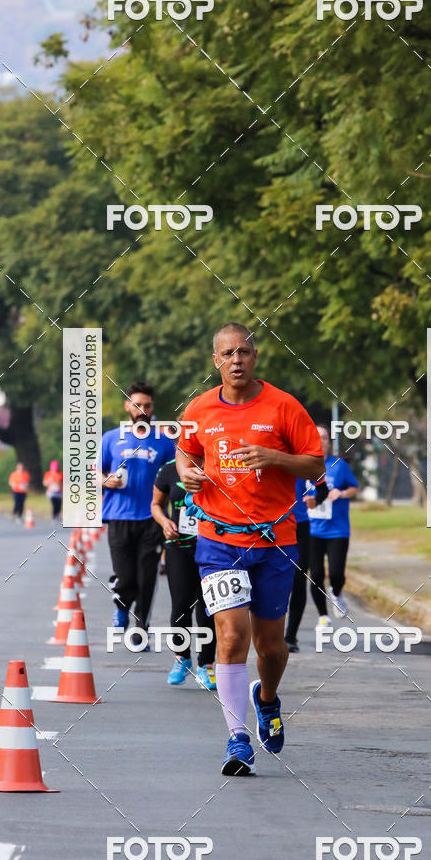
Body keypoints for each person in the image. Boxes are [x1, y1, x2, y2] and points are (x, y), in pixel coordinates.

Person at [177, 323, 324, 776]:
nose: (236, 360)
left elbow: (316, 465)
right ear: (216, 361)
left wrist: (273, 457)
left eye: (243, 352)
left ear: (255, 357)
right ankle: (238, 739)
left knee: (271, 647)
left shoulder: (283, 406)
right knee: (231, 636)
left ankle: (267, 697)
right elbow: (185, 452)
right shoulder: (199, 408)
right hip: (219, 539)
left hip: (275, 540)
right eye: (227, 353)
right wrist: (187, 473)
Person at [101, 381, 175, 638]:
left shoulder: (164, 441)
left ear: (152, 407)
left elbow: (174, 475)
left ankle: (141, 629)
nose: (142, 410)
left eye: (147, 405)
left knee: (147, 578)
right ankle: (122, 606)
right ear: (127, 406)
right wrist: (106, 480)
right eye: (137, 405)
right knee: (126, 577)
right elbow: (92, 473)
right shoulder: (111, 438)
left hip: (152, 518)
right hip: (118, 516)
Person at [151, 458, 217, 689]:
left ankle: (206, 665)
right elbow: (156, 504)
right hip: (179, 548)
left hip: (213, 547)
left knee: (208, 606)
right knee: (181, 605)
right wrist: (164, 522)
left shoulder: (217, 465)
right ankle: (182, 658)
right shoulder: (168, 469)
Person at [308, 425, 359, 623]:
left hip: (337, 529)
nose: (320, 441)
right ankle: (323, 616)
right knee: (316, 574)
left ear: (329, 442)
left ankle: (337, 593)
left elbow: (354, 487)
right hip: (312, 529)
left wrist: (342, 493)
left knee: (336, 574)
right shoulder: (304, 464)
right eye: (317, 437)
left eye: (324, 438)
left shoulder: (339, 465)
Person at [284, 477, 328, 653]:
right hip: (269, 526)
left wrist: (315, 499)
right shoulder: (260, 461)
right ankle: (268, 634)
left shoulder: (300, 462)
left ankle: (290, 636)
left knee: (298, 578)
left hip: (299, 526)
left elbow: (323, 488)